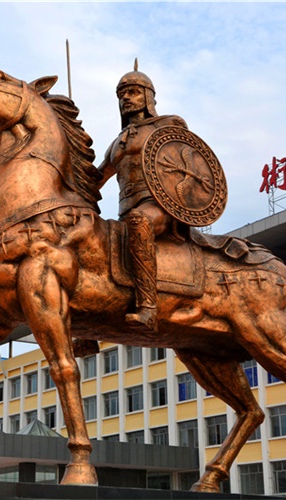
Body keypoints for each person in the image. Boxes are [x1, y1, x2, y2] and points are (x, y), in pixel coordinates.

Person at [97, 63, 188, 331]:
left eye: (133, 92)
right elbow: (98, 178)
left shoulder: (168, 124)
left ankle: (148, 306)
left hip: (158, 206)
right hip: (126, 210)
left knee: (139, 221)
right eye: (121, 94)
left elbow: (189, 162)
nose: (126, 98)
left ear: (148, 96)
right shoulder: (117, 143)